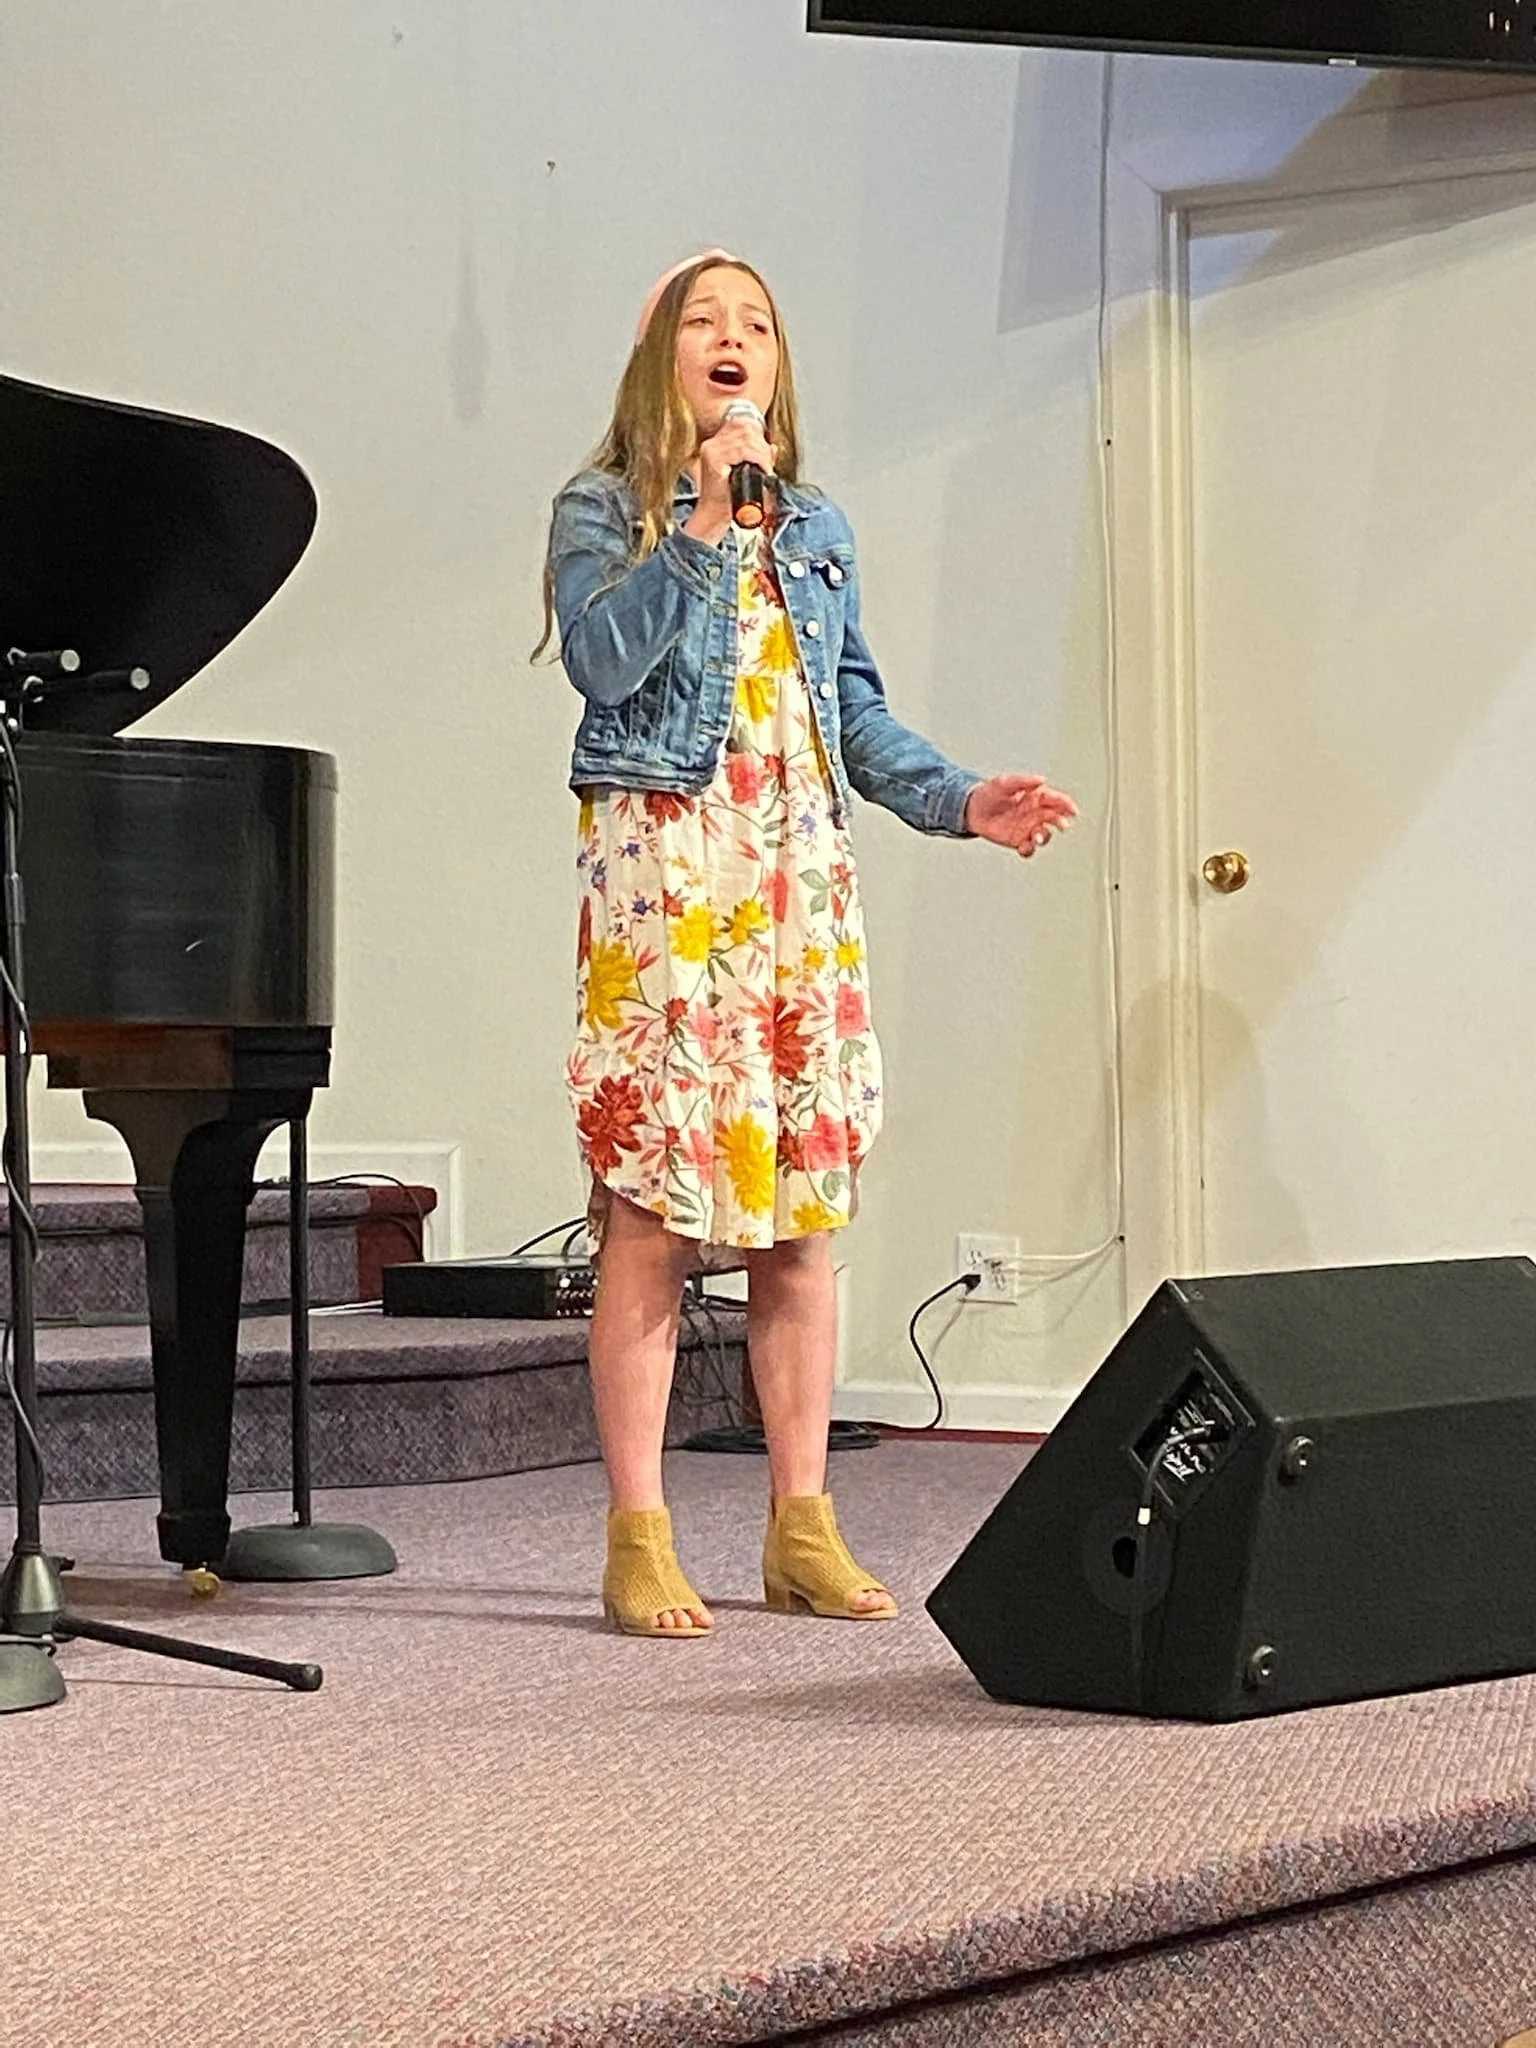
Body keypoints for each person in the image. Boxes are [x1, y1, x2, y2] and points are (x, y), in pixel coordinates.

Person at [538, 251, 1077, 1640]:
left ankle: (801, 1524)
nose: (734, 341)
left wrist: (962, 798)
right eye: (705, 323)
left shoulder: (820, 523)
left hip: (794, 885)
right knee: (654, 1213)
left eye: (756, 326)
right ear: (662, 359)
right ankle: (641, 1532)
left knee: (801, 1220)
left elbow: (855, 711)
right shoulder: (605, 507)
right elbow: (604, 665)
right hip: (671, 880)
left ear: (778, 368)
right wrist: (706, 527)